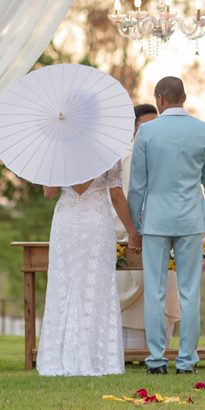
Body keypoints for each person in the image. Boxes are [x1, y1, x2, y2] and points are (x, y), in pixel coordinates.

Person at [127, 76, 205, 375]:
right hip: (191, 218)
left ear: (159, 99)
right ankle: (187, 361)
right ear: (185, 97)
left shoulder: (147, 131)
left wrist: (133, 228)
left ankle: (155, 360)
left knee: (155, 290)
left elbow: (137, 184)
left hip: (154, 219)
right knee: (190, 291)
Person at [38, 147, 140, 377]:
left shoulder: (59, 150)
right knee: (96, 286)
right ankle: (98, 357)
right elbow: (116, 195)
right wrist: (132, 232)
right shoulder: (107, 150)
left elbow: (48, 193)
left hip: (65, 220)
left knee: (63, 285)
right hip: (96, 221)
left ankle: (61, 355)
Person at [114, 104, 179, 352]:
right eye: (144, 126)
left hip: (163, 231)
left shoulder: (164, 156)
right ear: (133, 130)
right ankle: (132, 352)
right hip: (136, 234)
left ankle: (160, 349)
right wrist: (135, 229)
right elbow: (125, 199)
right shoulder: (128, 156)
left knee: (162, 289)